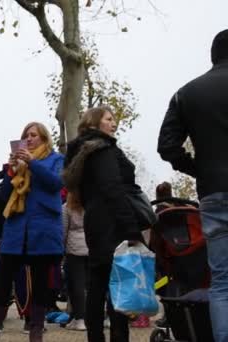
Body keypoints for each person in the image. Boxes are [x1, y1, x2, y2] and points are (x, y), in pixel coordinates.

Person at [157, 29, 228, 342]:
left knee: (222, 281)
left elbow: (167, 147)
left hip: (214, 190)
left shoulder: (186, 93)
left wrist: (199, 169)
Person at [0, 122, 64, 342]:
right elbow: (3, 196)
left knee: (40, 282)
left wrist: (33, 164)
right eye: (26, 136)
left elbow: (55, 184)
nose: (29, 139)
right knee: (2, 281)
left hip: (42, 230)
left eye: (34, 135)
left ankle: (36, 331)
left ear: (44, 139)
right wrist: (12, 170)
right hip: (15, 230)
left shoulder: (56, 160)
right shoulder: (17, 163)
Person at [63, 106, 143, 342]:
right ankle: (119, 336)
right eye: (109, 119)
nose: (114, 123)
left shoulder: (82, 152)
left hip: (94, 221)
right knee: (117, 285)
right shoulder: (103, 149)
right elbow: (113, 188)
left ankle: (95, 337)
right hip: (112, 222)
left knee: (97, 283)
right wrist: (131, 228)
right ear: (95, 123)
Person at [63, 192, 88, 331]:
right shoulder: (90, 206)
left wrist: (62, 248)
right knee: (90, 286)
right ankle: (89, 316)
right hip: (90, 248)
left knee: (75, 285)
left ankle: (79, 318)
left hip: (74, 250)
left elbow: (63, 230)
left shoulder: (67, 208)